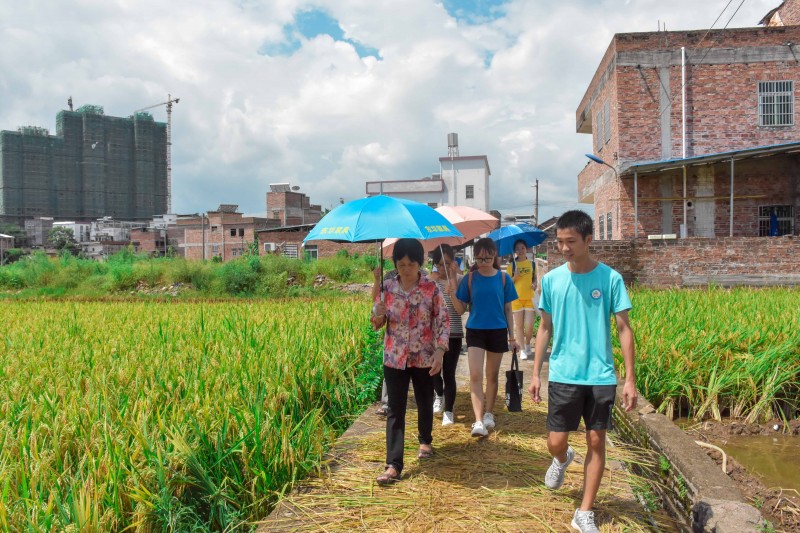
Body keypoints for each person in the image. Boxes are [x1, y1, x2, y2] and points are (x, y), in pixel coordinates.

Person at [528, 210, 637, 533]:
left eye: (571, 241)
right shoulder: (552, 281)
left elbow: (624, 329)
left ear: (589, 240)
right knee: (555, 441)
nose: (564, 248)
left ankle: (584, 512)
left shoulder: (610, 279)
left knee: (596, 439)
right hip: (563, 373)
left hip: (601, 375)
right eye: (560, 242)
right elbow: (544, 328)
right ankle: (562, 459)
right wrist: (535, 373)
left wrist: (628, 378)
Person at [371, 238, 449, 485]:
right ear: (395, 264)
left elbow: (443, 321)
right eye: (401, 264)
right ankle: (393, 464)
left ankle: (425, 440)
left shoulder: (431, 289)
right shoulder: (387, 288)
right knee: (396, 409)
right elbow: (376, 325)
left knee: (425, 402)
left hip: (424, 357)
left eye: (411, 264)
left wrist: (440, 350)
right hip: (394, 358)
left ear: (419, 263)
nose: (406, 269)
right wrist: (377, 314)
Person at [452, 238, 519, 437]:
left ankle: (489, 413)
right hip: (475, 330)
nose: (484, 262)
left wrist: (512, 337)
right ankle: (478, 420)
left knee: (491, 376)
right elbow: (460, 309)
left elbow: (508, 309)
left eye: (488, 258)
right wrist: (453, 294)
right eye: (480, 258)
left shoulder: (504, 279)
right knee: (475, 375)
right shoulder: (470, 279)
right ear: (475, 258)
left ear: (495, 257)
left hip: (498, 331)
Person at [428, 244, 465, 426]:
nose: (443, 268)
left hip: (454, 333)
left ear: (454, 262)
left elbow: (460, 311)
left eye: (448, 263)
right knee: (434, 371)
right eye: (440, 264)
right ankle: (439, 395)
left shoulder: (460, 280)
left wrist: (453, 293)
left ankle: (449, 411)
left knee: (449, 373)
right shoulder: (430, 281)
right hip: (433, 336)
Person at [506, 239, 537, 360]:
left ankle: (528, 343)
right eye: (517, 249)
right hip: (516, 299)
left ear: (527, 249)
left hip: (529, 298)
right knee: (519, 326)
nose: (520, 251)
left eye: (522, 248)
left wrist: (535, 284)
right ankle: (522, 349)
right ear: (515, 251)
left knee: (529, 325)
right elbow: (507, 284)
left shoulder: (532, 264)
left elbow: (534, 279)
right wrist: (515, 277)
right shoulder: (511, 266)